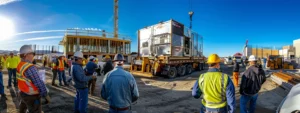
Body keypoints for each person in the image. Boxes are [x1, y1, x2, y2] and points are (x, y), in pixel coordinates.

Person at [17, 45, 50, 113]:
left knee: (22, 109)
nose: (33, 56)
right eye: (33, 54)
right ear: (26, 55)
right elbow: (38, 83)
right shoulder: (30, 67)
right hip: (32, 95)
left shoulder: (20, 64)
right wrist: (45, 95)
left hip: (22, 92)